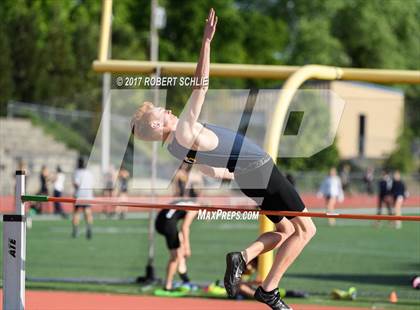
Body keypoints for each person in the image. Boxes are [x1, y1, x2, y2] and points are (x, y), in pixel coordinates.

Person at [131, 9, 316, 309]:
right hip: (259, 169)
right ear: (155, 126)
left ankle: (242, 258)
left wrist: (237, 172)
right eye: (162, 113)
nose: (169, 111)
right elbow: (201, 85)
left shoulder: (175, 149)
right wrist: (206, 41)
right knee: (307, 229)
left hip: (247, 174)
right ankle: (269, 290)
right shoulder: (184, 132)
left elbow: (213, 171)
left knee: (283, 231)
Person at [72, 157, 94, 239]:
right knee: (88, 212)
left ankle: (75, 230)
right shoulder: (89, 173)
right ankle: (89, 228)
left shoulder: (77, 172)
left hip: (79, 195)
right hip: (88, 195)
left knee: (76, 212)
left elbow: (76, 184)